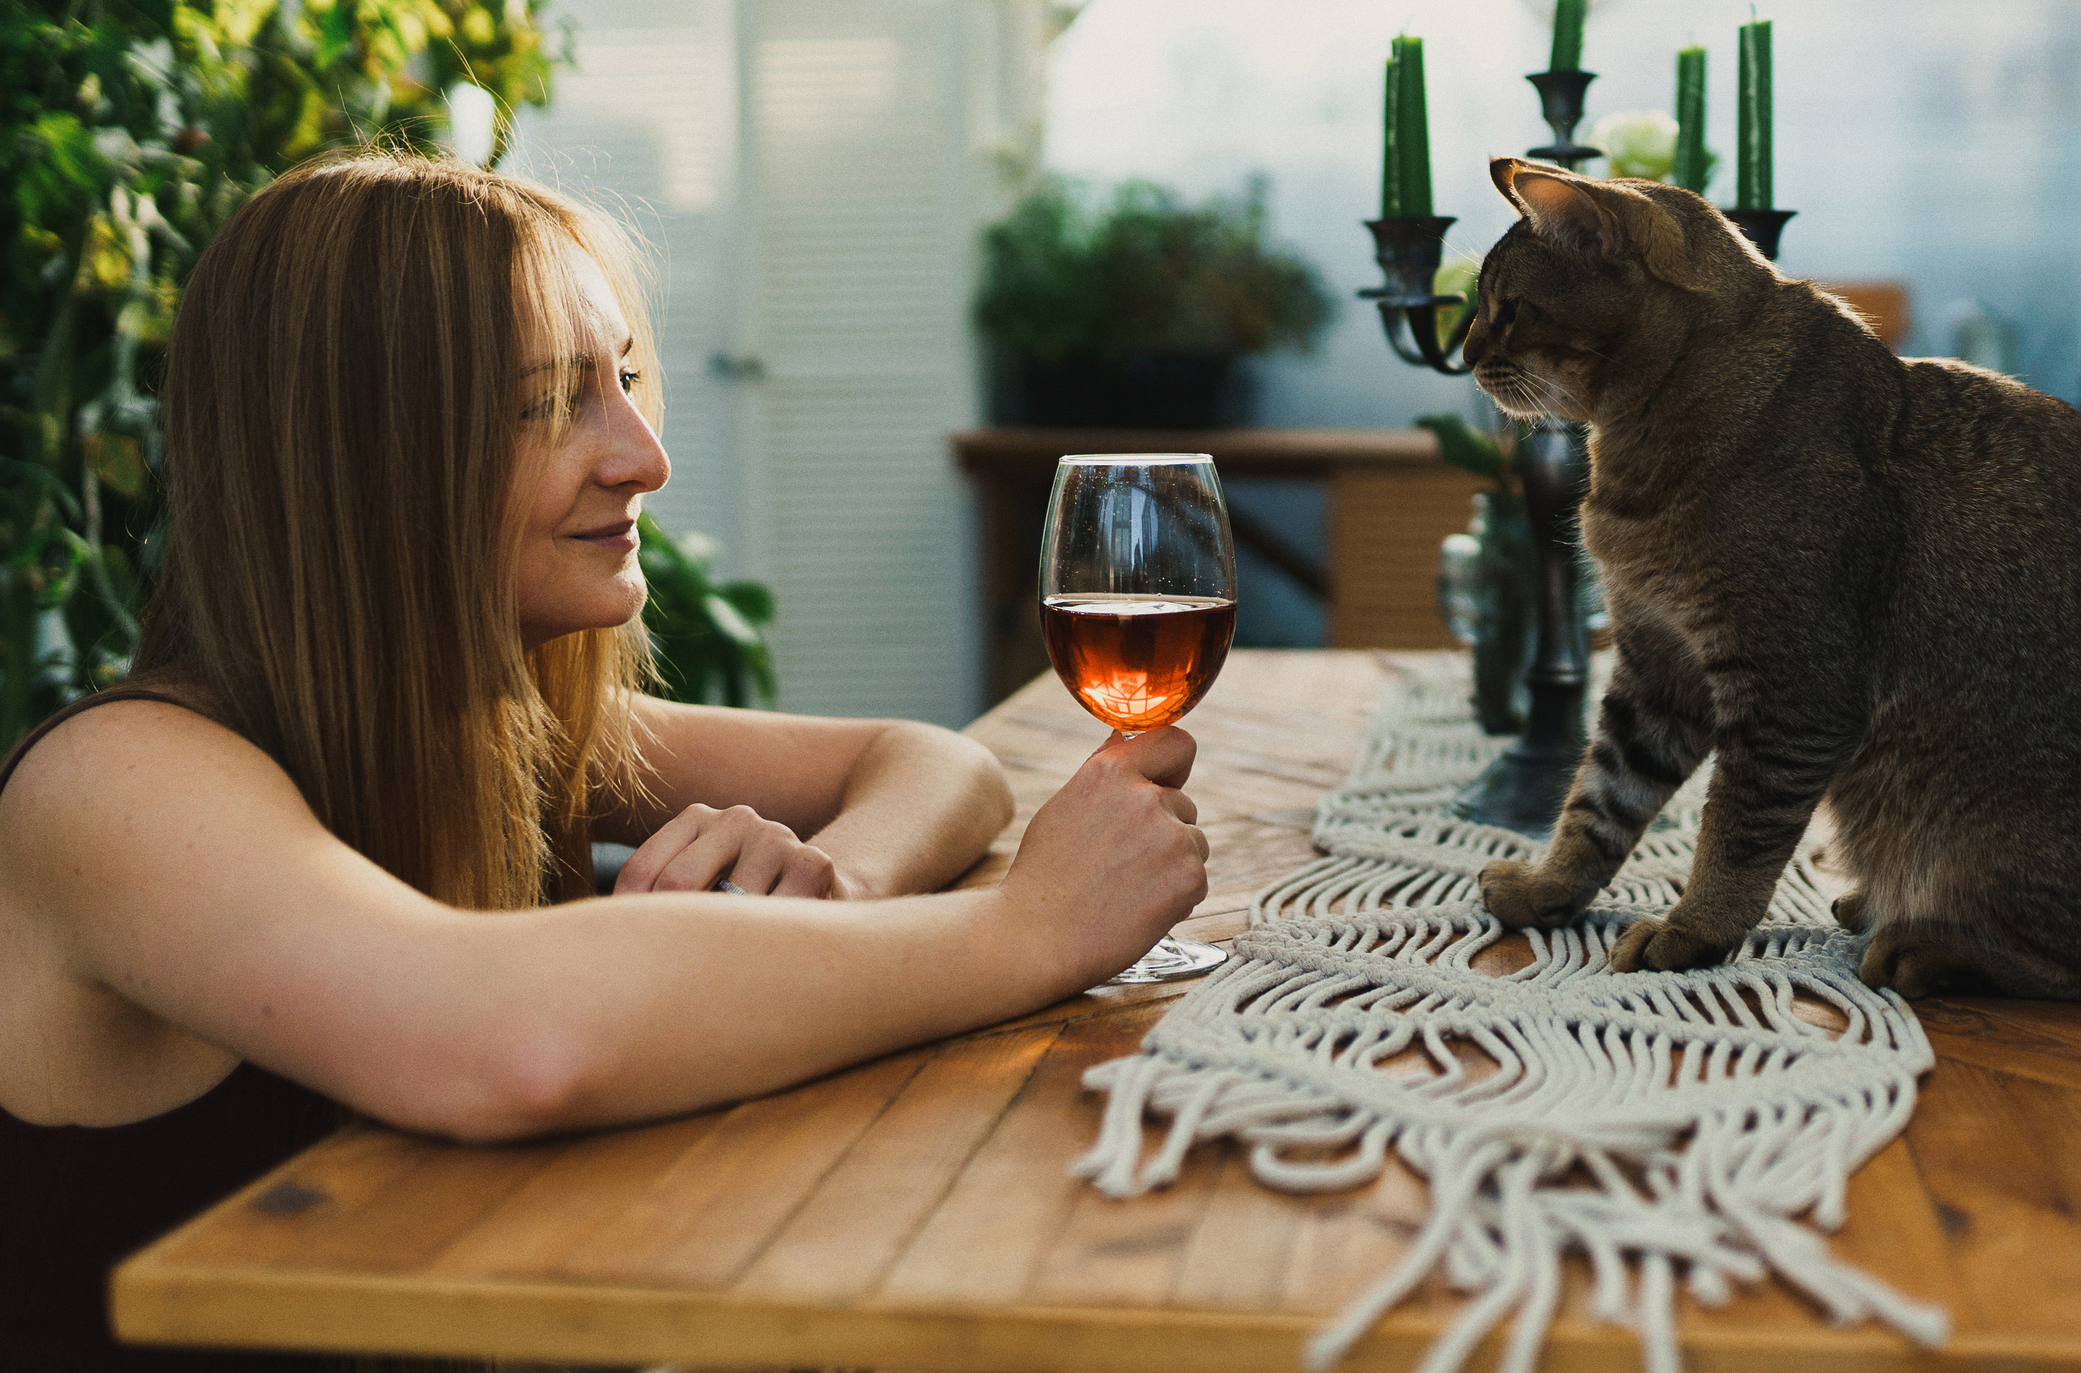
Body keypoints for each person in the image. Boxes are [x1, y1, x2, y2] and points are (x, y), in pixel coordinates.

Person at [0, 153, 1212, 1369]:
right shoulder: (119, 785)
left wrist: (838, 889)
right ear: (363, 456)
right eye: (546, 403)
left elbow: (934, 764)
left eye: (623, 379)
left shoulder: (480, 726)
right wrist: (1029, 933)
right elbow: (512, 1042)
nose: (643, 456)